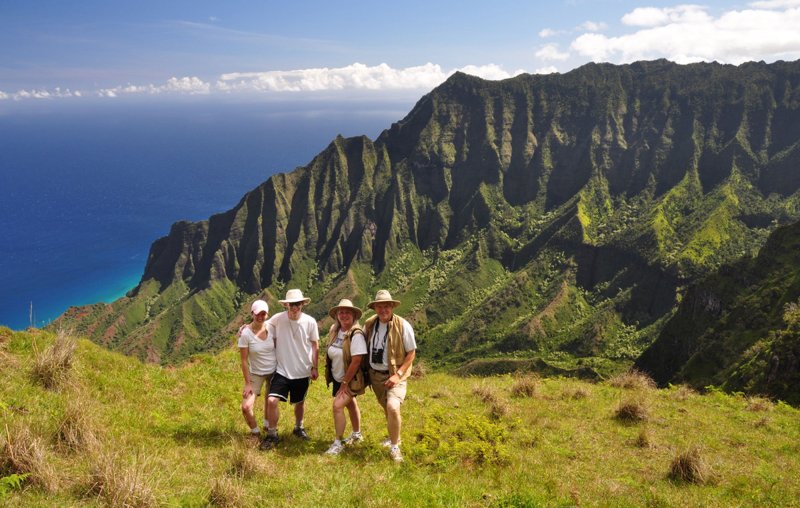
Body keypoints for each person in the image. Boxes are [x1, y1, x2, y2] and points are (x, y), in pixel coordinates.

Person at [260, 289, 320, 450]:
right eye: (291, 304)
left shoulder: (310, 322)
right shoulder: (278, 319)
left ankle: (299, 427)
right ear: (286, 305)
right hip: (282, 369)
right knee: (272, 400)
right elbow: (261, 324)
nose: (294, 308)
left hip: (302, 370)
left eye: (297, 304)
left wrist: (315, 367)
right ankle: (272, 434)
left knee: (299, 402)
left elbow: (315, 345)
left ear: (302, 304)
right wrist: (246, 327)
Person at [363, 290, 416, 462]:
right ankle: (394, 437)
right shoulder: (370, 324)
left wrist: (398, 374)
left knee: (393, 407)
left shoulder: (402, 326)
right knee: (387, 409)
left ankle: (395, 447)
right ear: (375, 308)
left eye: (386, 306)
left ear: (392, 306)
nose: (383, 309)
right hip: (375, 376)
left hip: (395, 375)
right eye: (379, 306)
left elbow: (411, 353)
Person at [323, 299, 368, 456]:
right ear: (337, 315)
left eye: (347, 312)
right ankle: (357, 434)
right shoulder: (335, 331)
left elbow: (356, 361)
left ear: (354, 315)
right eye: (341, 312)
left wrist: (344, 383)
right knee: (350, 404)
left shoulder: (356, 334)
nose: (344, 315)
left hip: (350, 380)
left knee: (337, 406)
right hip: (338, 377)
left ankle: (338, 442)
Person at [238, 299, 276, 437]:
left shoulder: (272, 328)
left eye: (263, 314)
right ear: (252, 314)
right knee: (246, 406)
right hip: (256, 373)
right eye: (257, 314)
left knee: (270, 399)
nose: (260, 317)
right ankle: (255, 432)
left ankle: (268, 425)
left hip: (274, 371)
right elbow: (244, 360)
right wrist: (247, 383)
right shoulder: (245, 334)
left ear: (267, 314)